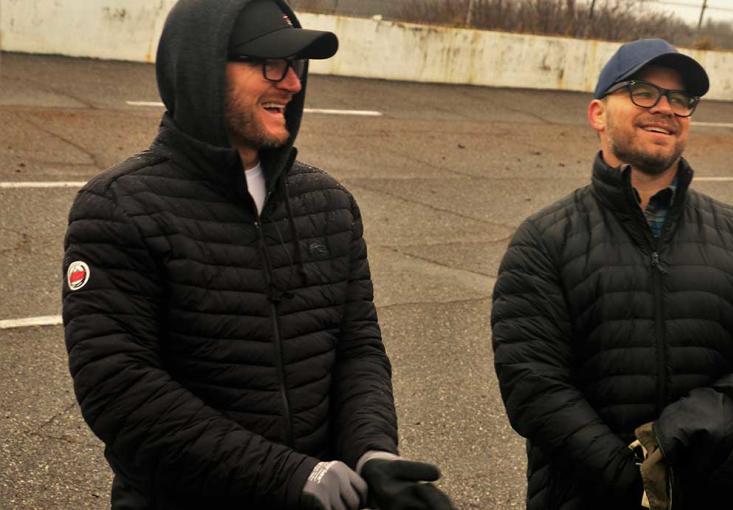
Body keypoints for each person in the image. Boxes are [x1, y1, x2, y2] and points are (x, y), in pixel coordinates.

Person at [61, 1, 454, 509]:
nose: (291, 84)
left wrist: (371, 451)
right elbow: (120, 391)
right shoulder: (118, 207)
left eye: (296, 67)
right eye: (271, 64)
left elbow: (357, 350)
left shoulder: (329, 204)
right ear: (202, 68)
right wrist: (290, 477)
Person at [490, 39, 733, 509]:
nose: (665, 108)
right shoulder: (545, 239)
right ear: (598, 113)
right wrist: (639, 485)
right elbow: (535, 388)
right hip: (590, 496)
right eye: (643, 92)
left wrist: (716, 470)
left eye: (680, 99)